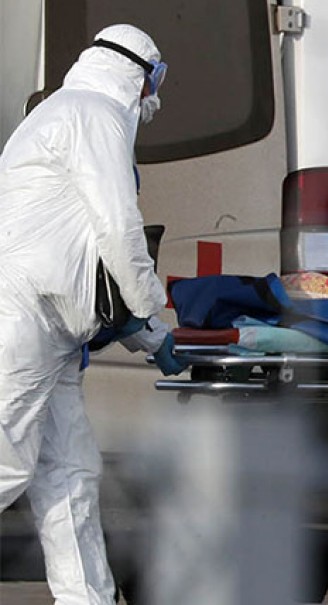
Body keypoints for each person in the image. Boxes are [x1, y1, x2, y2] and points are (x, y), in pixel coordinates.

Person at [0, 24, 185, 603]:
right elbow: (118, 231)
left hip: (51, 332)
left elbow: (87, 258)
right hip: (24, 319)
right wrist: (154, 317)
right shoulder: (94, 115)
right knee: (5, 465)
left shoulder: (65, 113)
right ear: (137, 74)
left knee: (70, 474)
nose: (154, 99)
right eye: (155, 81)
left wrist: (147, 335)